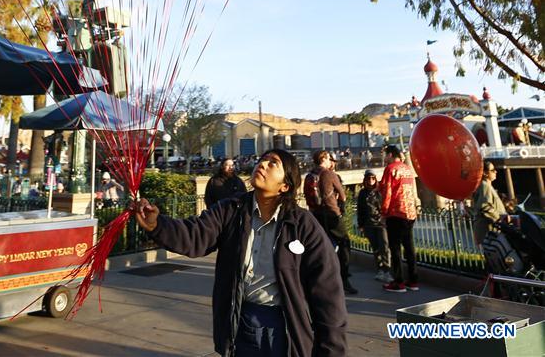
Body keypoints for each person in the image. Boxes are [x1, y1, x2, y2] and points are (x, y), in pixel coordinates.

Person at [134, 149, 347, 357]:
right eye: (262, 160)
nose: (262, 165)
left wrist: (331, 349)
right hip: (239, 321)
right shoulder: (231, 210)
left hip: (282, 326)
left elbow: (327, 291)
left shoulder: (302, 224)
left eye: (273, 163)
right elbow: (195, 235)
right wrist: (157, 225)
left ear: (285, 185)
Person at [306, 150, 357, 295]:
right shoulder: (329, 174)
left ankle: (322, 279)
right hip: (331, 214)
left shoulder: (310, 175)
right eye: (329, 158)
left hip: (316, 215)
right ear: (323, 159)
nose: (331, 161)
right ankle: (344, 279)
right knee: (344, 243)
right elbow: (342, 195)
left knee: (322, 245)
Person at [379, 145, 419, 293]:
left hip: (396, 213)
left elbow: (387, 192)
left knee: (395, 248)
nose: (384, 158)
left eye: (385, 155)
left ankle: (398, 281)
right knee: (409, 247)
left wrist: (383, 213)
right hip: (410, 213)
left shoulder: (391, 169)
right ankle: (413, 281)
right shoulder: (407, 169)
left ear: (390, 154)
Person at [357, 171, 391, 282]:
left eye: (372, 178)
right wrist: (361, 224)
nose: (371, 181)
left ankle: (387, 270)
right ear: (365, 180)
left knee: (384, 246)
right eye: (368, 178)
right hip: (369, 223)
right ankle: (380, 270)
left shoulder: (380, 191)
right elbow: (360, 210)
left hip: (381, 223)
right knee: (376, 248)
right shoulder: (362, 193)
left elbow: (385, 205)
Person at [471, 161, 506, 246]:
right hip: (488, 231)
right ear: (485, 173)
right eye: (493, 170)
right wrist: (501, 218)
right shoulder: (484, 186)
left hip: (490, 229)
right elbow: (485, 206)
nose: (495, 171)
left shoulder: (487, 186)